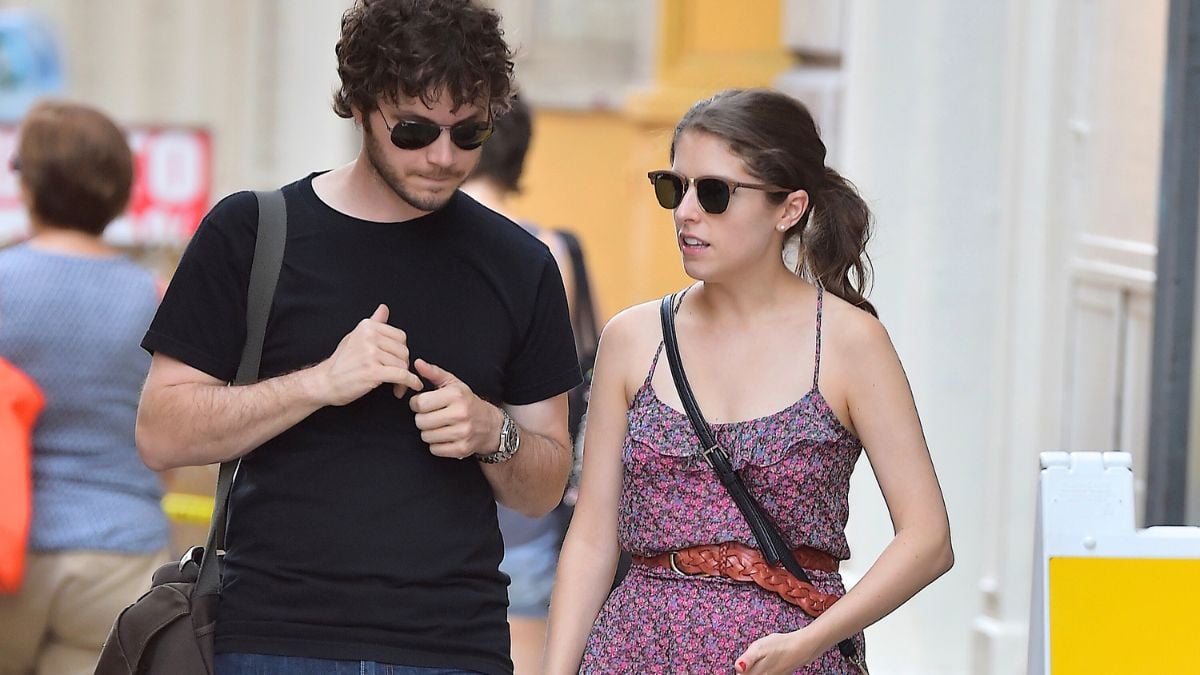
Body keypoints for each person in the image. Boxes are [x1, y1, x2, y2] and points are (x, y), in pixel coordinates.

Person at [134, 2, 581, 674]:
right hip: (273, 638)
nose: (442, 155)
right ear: (361, 104)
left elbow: (543, 487)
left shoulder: (521, 265)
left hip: (451, 645)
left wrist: (493, 432)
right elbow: (160, 432)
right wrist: (319, 383)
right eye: (414, 129)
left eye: (470, 133)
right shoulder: (253, 233)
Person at [543, 88, 954, 674]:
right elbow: (592, 538)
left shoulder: (848, 343)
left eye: (713, 193)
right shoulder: (633, 339)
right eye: (673, 187)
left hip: (787, 657)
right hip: (635, 653)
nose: (686, 211)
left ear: (789, 208)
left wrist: (812, 640)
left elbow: (928, 539)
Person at [0, 100, 171, 675]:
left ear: (31, 186)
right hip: (120, 556)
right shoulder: (157, 299)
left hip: (9, 550)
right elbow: (168, 438)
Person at [461, 94, 601, 675]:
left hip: (425, 513)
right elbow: (563, 378)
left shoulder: (417, 241)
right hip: (526, 506)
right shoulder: (551, 252)